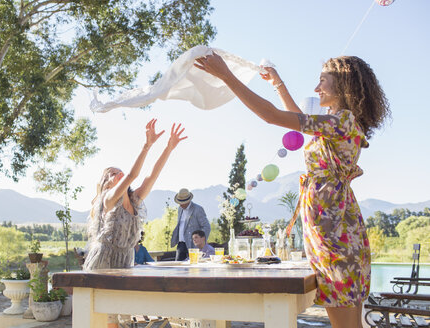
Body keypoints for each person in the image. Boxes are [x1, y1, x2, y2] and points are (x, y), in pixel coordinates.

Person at [195, 54, 390, 328]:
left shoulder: (342, 121)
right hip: (336, 232)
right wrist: (278, 83)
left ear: (344, 87)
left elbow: (273, 117)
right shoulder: (335, 123)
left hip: (336, 236)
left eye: (323, 81)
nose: (316, 88)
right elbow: (297, 119)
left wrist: (227, 76)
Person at [84, 119, 187, 271]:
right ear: (106, 183)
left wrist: (169, 148)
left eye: (120, 172)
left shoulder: (134, 200)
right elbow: (132, 175)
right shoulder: (108, 198)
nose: (119, 174)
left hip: (125, 259)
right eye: (113, 174)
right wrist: (147, 146)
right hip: (104, 261)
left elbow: (152, 176)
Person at [171, 188, 211, 261]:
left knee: (194, 269)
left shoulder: (198, 209)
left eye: (182, 202)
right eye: (179, 202)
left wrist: (201, 243)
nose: (180, 204)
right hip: (181, 244)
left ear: (188, 200)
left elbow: (206, 227)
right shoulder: (180, 209)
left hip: (193, 246)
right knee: (179, 268)